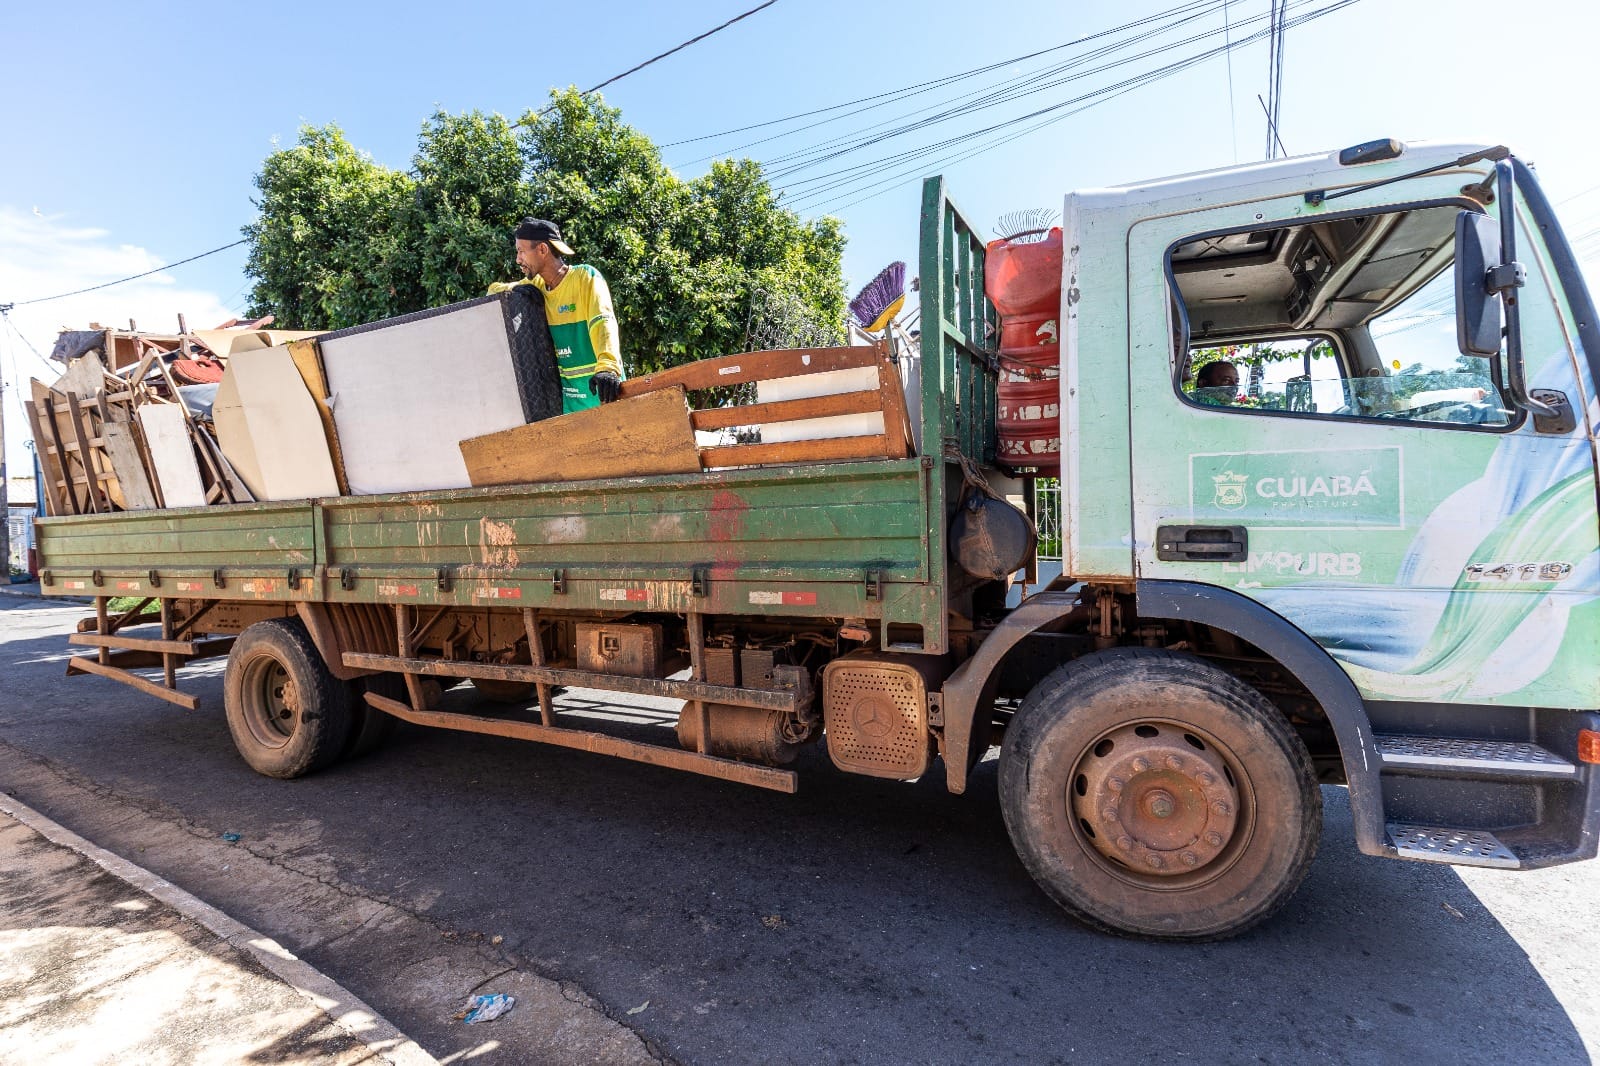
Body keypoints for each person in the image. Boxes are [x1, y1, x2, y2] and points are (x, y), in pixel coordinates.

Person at [489, 218, 623, 412]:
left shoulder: (585, 278)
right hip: (572, 406)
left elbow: (602, 322)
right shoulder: (536, 287)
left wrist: (608, 367)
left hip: (605, 393)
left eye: (521, 251)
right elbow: (493, 291)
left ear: (542, 250)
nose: (518, 259)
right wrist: (515, 293)